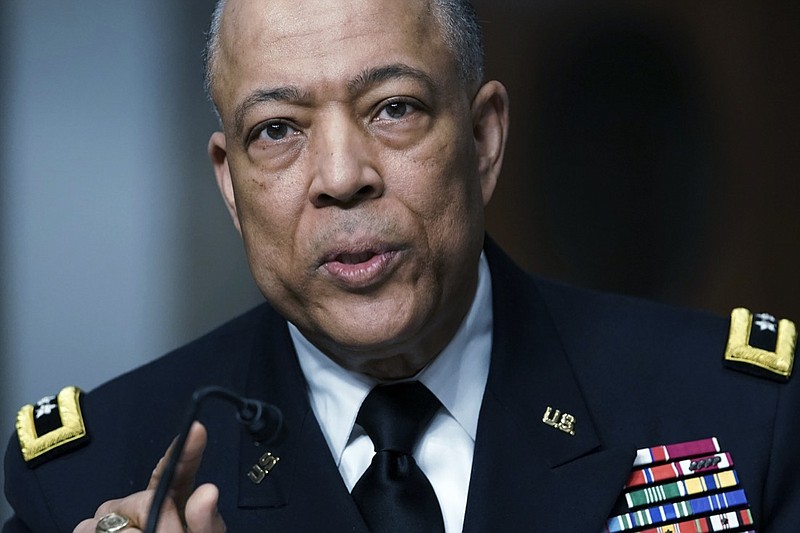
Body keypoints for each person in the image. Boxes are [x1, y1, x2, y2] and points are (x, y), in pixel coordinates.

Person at [4, 0, 798, 531]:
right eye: (278, 129)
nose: (343, 175)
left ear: (483, 140)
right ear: (230, 185)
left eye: (394, 109)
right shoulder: (93, 482)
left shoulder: (736, 415)